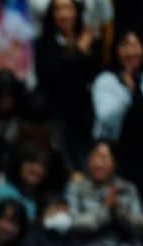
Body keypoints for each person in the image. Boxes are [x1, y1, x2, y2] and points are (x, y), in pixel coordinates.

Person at [93, 30, 143, 246]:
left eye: (136, 45)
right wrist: (128, 93)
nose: (131, 51)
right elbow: (105, 117)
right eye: (125, 46)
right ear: (116, 51)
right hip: (118, 159)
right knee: (118, 214)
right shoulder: (106, 80)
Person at [34, 0, 99, 175]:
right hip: (56, 110)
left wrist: (84, 52)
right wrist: (78, 52)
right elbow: (52, 76)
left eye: (67, 8)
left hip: (84, 111)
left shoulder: (90, 40)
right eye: (58, 9)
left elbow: (95, 75)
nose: (63, 14)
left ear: (76, 12)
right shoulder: (43, 43)